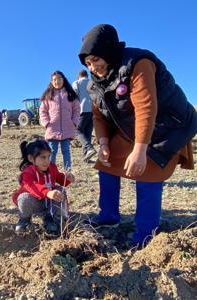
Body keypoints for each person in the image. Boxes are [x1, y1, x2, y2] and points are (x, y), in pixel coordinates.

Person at [78, 24, 197, 248]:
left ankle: (145, 234)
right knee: (106, 163)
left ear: (108, 50)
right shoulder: (95, 83)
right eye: (88, 64)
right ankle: (109, 216)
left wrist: (140, 150)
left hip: (167, 126)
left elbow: (146, 108)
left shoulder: (138, 63)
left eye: (96, 59)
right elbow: (99, 116)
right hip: (131, 128)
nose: (93, 67)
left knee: (147, 172)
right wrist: (103, 142)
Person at [12, 139, 75, 233]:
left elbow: (60, 179)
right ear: (31, 158)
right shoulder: (27, 173)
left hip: (49, 203)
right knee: (24, 197)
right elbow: (33, 186)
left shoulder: (52, 168)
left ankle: (56, 219)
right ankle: (24, 220)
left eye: (48, 157)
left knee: (60, 189)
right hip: (35, 203)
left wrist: (68, 178)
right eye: (43, 157)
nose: (47, 161)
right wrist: (48, 192)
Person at [39, 71, 80, 170]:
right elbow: (42, 111)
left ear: (63, 80)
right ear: (51, 82)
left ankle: (67, 171)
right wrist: (47, 123)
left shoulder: (70, 94)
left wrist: (74, 122)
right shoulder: (48, 95)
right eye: (54, 80)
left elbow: (76, 110)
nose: (57, 81)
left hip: (67, 128)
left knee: (66, 151)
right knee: (52, 151)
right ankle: (50, 170)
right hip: (52, 129)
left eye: (59, 79)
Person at [72, 70, 96, 162]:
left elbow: (74, 96)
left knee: (77, 131)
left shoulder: (77, 83)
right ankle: (87, 158)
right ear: (86, 75)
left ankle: (89, 148)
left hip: (82, 109)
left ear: (79, 76)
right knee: (87, 132)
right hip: (93, 110)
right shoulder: (92, 82)